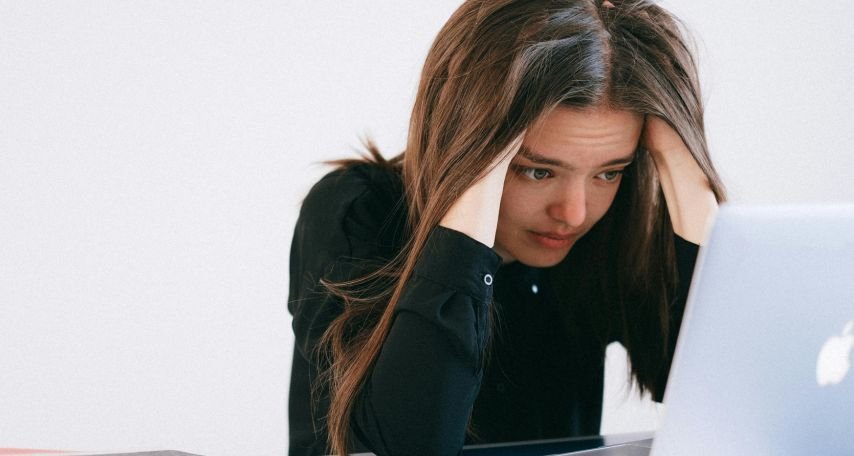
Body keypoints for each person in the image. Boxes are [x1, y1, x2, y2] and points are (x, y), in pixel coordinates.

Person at [288, 0, 726, 455]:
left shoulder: (608, 230)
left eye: (608, 172)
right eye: (536, 171)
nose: (574, 214)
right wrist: (471, 183)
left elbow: (730, 402)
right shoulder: (356, 210)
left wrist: (687, 170)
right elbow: (411, 443)